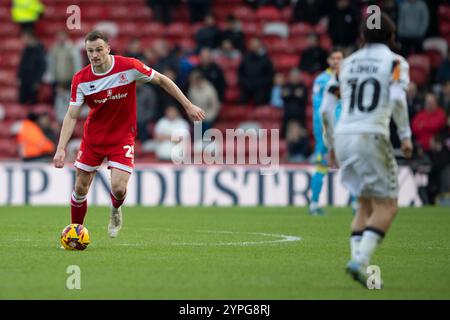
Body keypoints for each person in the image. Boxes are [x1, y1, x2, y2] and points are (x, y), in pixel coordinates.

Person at [53, 31, 205, 240]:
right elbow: (71, 116)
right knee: (80, 187)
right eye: (90, 51)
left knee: (118, 188)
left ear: (108, 48)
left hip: (122, 137)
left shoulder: (129, 67)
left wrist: (187, 105)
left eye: (98, 49)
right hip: (93, 139)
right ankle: (75, 233)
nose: (94, 55)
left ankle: (115, 209)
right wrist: (61, 148)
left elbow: (162, 80)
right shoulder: (81, 79)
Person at [320, 13, 413, 287]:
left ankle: (359, 265)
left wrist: (332, 144)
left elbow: (326, 108)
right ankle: (360, 262)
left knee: (364, 203)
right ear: (392, 37)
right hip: (372, 133)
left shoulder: (346, 64)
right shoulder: (396, 62)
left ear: (361, 37)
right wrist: (406, 136)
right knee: (388, 206)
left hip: (345, 134)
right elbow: (396, 98)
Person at [309, 48, 344, 215]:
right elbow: (318, 108)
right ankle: (314, 204)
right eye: (333, 58)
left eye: (339, 58)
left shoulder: (348, 78)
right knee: (322, 164)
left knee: (352, 165)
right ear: (328, 60)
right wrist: (322, 132)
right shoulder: (321, 80)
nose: (336, 61)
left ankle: (356, 206)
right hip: (326, 130)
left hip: (346, 129)